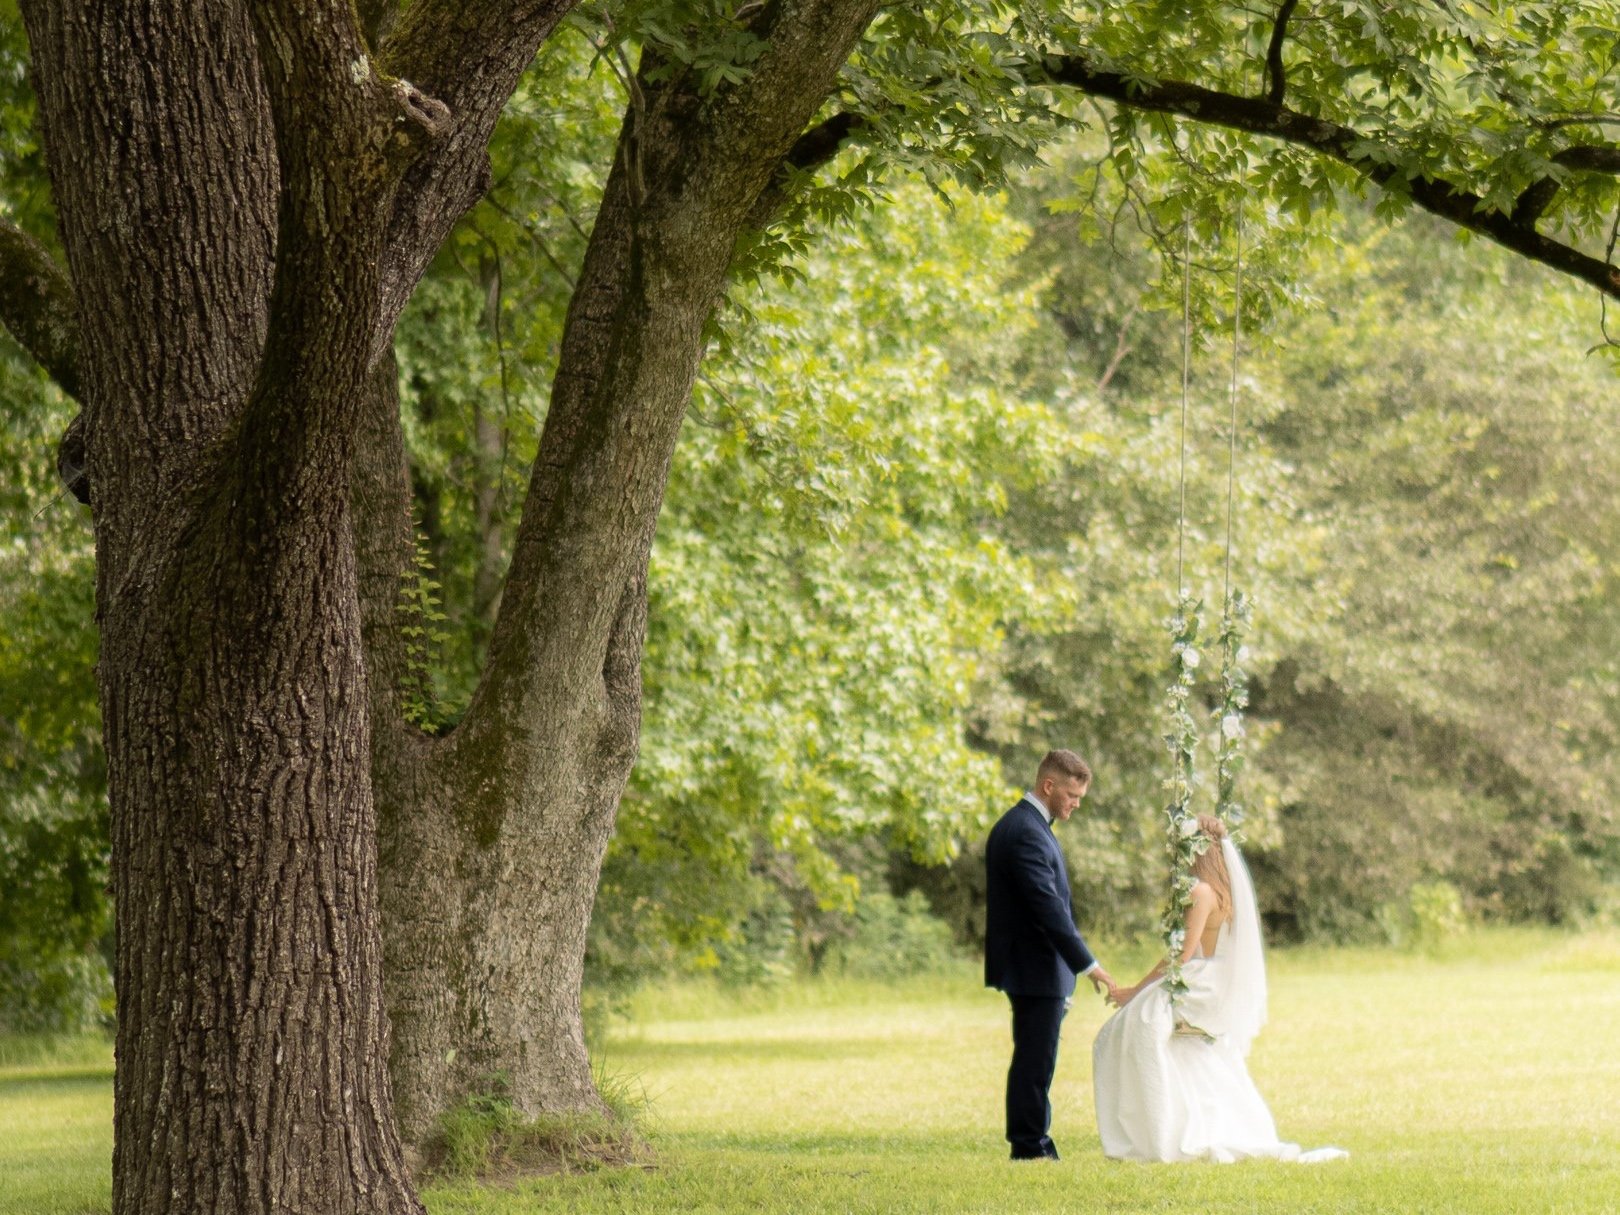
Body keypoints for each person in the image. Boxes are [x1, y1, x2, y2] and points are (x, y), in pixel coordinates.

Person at [1091, 815, 1347, 1164]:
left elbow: (1182, 954)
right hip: (1212, 977)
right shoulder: (1225, 891)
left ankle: (1154, 1127)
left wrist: (1134, 990)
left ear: (1194, 850)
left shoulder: (1200, 891)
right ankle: (1176, 1119)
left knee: (1130, 1028)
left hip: (1198, 980)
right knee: (1182, 1049)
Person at [984, 749, 1116, 1161]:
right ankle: (1030, 1146)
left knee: (1035, 1058)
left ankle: (1032, 1141)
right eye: (1073, 795)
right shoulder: (1025, 830)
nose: (1076, 803)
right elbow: (1047, 907)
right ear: (1049, 786)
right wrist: (1089, 965)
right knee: (1035, 1062)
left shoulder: (1027, 825)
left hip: (1034, 966)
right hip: (1033, 966)